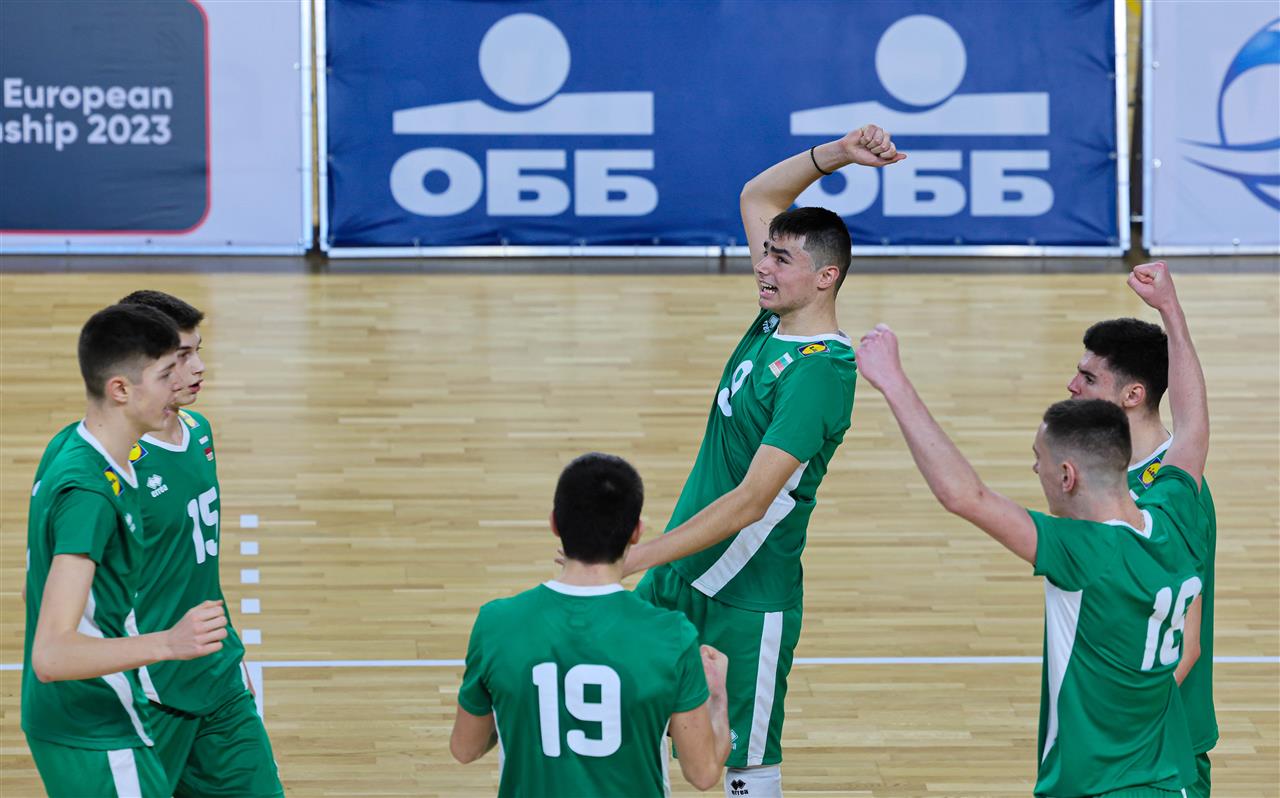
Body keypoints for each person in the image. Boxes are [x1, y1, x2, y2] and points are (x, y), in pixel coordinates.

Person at [853, 261, 1209, 797]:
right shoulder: (1177, 511)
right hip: (1166, 777)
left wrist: (894, 384)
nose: (1034, 469)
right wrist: (1171, 311)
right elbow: (1194, 425)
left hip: (1092, 784)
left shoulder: (1083, 552)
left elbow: (965, 496)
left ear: (1067, 476)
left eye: (1038, 460)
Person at [624, 126, 904, 797]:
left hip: (744, 594)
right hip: (679, 570)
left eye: (780, 259)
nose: (763, 266)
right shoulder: (776, 317)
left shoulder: (820, 373)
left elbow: (753, 501)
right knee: (636, 730)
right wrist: (838, 154)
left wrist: (634, 557)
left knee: (743, 767)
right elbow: (758, 195)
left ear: (825, 277)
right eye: (766, 254)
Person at [22, 303, 228, 797]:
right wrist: (168, 644)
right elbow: (50, 654)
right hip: (92, 722)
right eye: (165, 373)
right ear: (120, 389)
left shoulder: (94, 457)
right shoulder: (91, 493)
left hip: (101, 714)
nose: (179, 383)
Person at [452, 452, 732, 796]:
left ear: (555, 523)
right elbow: (703, 773)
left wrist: (514, 702)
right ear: (636, 532)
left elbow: (465, 748)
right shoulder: (672, 635)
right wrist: (717, 695)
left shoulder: (496, 624)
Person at [118, 290, 284, 797]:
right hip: (149, 692)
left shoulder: (199, 430)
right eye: (183, 357)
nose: (199, 368)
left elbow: (195, 566)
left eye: (198, 351)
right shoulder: (111, 466)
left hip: (218, 675)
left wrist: (230, 653)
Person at [1067, 304, 1217, 797]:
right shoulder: (1110, 476)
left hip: (1154, 751)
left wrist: (1121, 734)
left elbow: (1187, 645)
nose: (1072, 385)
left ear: (1132, 395)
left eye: (1089, 377)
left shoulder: (1168, 497)